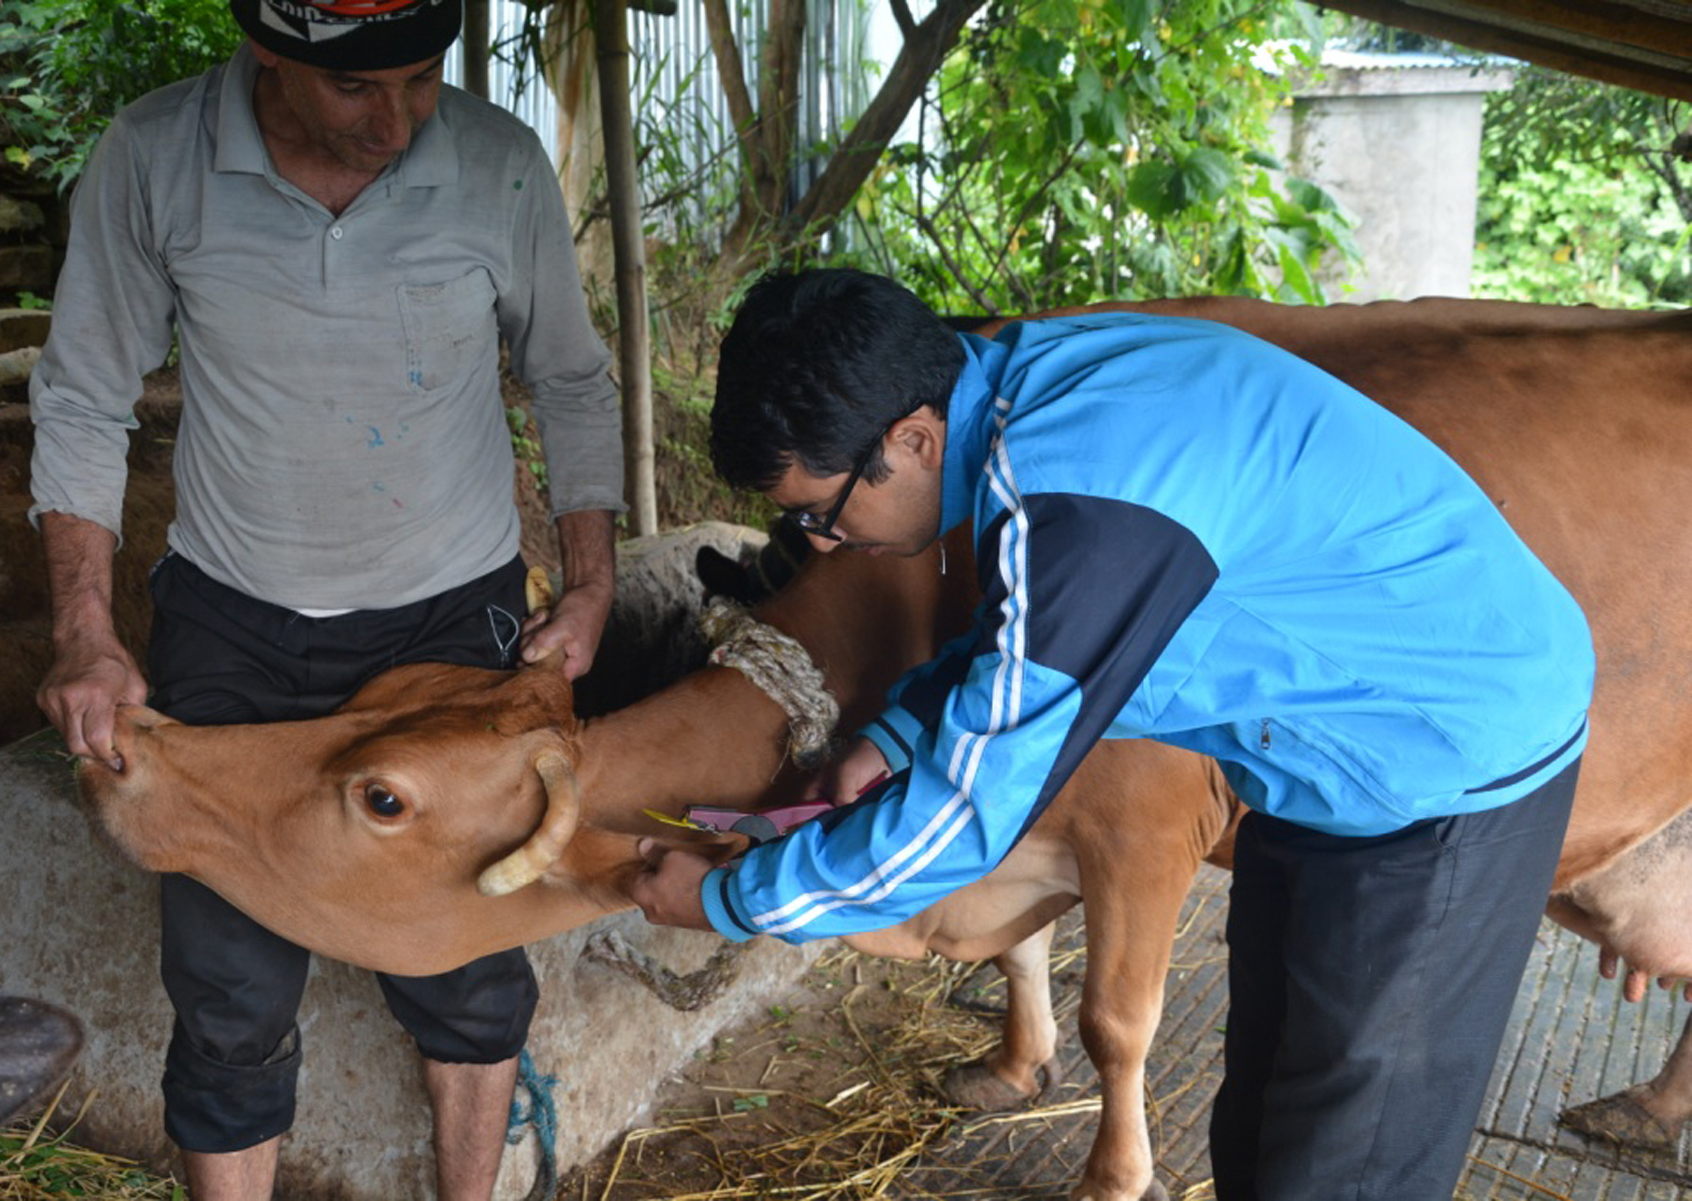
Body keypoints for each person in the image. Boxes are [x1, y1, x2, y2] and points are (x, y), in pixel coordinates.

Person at [629, 268, 1594, 1200]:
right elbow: (1026, 635)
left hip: (1449, 760)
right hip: (1321, 760)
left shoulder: (1081, 499)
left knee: (1346, 1161)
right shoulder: (1016, 393)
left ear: (915, 437)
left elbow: (966, 816)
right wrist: (900, 734)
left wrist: (732, 898)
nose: (827, 545)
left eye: (820, 512)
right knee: (1262, 1119)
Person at [27, 1, 623, 1195]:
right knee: (229, 983)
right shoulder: (155, 160)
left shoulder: (495, 164)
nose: (397, 122)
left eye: (419, 79)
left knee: (470, 958)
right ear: (269, 58)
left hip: (453, 617)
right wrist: (86, 632)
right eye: (357, 90)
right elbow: (85, 396)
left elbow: (569, 377)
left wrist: (594, 579)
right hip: (235, 621)